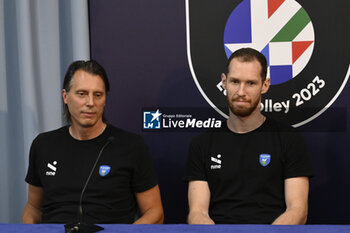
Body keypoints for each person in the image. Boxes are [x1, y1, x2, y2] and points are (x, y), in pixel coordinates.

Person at [22, 60, 164, 224]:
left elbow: (155, 212)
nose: (90, 103)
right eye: (82, 94)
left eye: (98, 95)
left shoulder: (131, 146)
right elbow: (33, 208)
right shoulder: (43, 145)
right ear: (65, 96)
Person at [185, 48, 313, 224]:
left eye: (251, 83)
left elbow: (298, 210)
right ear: (224, 81)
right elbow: (197, 212)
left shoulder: (288, 139)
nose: (241, 92)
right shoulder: (202, 144)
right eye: (235, 82)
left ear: (265, 85)